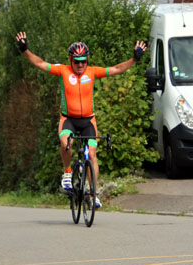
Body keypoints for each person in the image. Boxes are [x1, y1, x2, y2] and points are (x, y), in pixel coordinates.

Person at [15, 32, 146, 207]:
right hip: (68, 119)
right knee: (65, 143)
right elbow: (40, 63)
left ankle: (93, 194)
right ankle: (67, 173)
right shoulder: (62, 71)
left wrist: (134, 59)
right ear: (70, 60)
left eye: (84, 61)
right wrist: (25, 50)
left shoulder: (92, 72)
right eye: (77, 61)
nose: (80, 65)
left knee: (92, 154)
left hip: (88, 121)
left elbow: (116, 69)